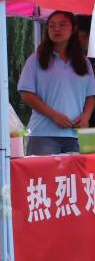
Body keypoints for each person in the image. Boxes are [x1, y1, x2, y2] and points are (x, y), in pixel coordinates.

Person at [18, 10, 95, 155]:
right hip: (43, 134)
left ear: (74, 29)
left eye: (62, 24)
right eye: (52, 25)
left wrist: (86, 117)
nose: (56, 29)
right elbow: (26, 94)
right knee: (42, 170)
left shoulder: (84, 62)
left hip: (75, 134)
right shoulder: (36, 59)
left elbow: (91, 95)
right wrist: (53, 115)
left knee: (75, 171)